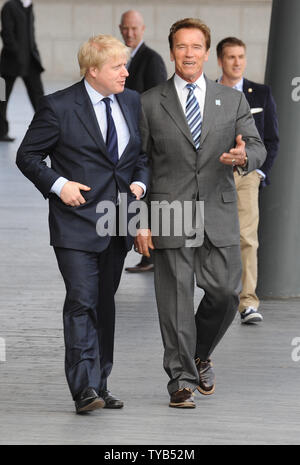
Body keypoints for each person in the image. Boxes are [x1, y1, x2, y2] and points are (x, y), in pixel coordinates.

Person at [135, 18, 266, 408]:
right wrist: (139, 220)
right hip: (170, 209)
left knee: (226, 293)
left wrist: (244, 156)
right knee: (174, 300)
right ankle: (180, 380)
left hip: (218, 212)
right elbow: (138, 162)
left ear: (207, 53)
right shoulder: (148, 102)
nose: (188, 54)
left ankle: (199, 353)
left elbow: (258, 147)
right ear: (172, 50)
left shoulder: (233, 99)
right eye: (181, 46)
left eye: (196, 47)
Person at [16, 34, 148, 413]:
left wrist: (140, 182)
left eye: (125, 64)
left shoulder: (130, 100)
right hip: (74, 224)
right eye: (117, 67)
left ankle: (100, 383)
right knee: (81, 301)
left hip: (117, 222)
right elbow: (28, 156)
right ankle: (84, 390)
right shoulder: (58, 107)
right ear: (93, 71)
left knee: (104, 305)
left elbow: (139, 155)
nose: (126, 72)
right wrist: (59, 185)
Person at [217, 37, 279, 325]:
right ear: (220, 60)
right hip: (211, 176)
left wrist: (258, 172)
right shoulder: (207, 93)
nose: (237, 62)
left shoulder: (261, 93)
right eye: (231, 57)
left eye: (241, 56)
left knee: (246, 239)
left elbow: (271, 139)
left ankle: (248, 302)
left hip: (246, 175)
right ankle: (216, 296)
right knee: (210, 237)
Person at [119, 9, 168, 272]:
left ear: (143, 29)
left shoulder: (151, 60)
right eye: (125, 28)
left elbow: (157, 100)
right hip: (126, 137)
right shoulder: (120, 59)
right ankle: (145, 251)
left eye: (134, 28)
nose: (129, 33)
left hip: (143, 137)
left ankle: (150, 252)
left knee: (143, 194)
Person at [0, 0, 44, 142]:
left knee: (40, 99)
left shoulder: (30, 6)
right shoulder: (9, 6)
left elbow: (31, 34)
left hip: (31, 62)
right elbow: (6, 33)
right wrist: (16, 52)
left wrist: (35, 52)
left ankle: (46, 131)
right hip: (9, 62)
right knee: (1, 97)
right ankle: (1, 132)